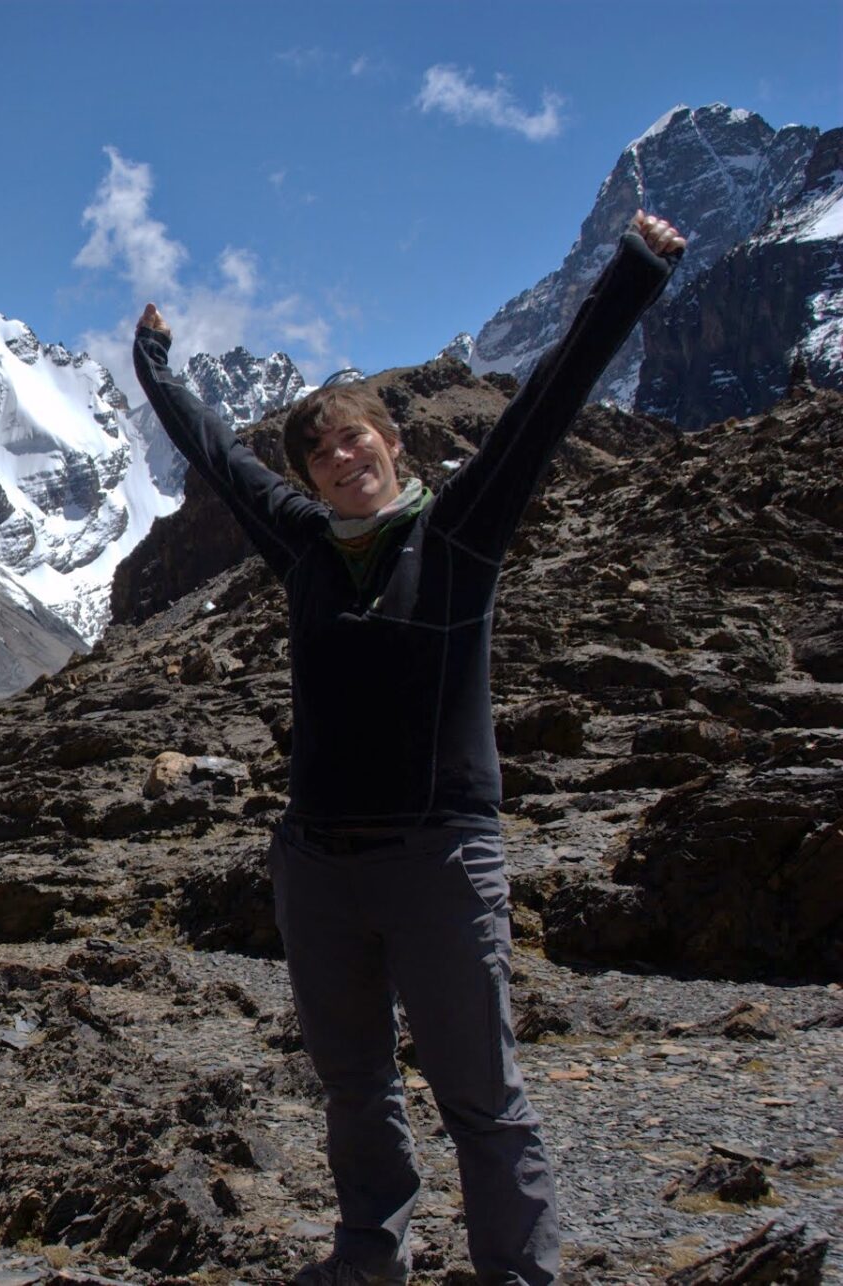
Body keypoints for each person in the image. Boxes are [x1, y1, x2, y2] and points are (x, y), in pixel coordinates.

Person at [134, 211, 687, 1286]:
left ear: (393, 443)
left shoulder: (462, 531)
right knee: (354, 1082)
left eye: (355, 437)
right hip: (318, 861)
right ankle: (367, 1253)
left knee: (480, 1089)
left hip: (440, 856)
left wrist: (634, 272)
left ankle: (517, 1273)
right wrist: (153, 368)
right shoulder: (299, 544)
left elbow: (548, 401)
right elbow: (215, 455)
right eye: (319, 448)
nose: (340, 458)